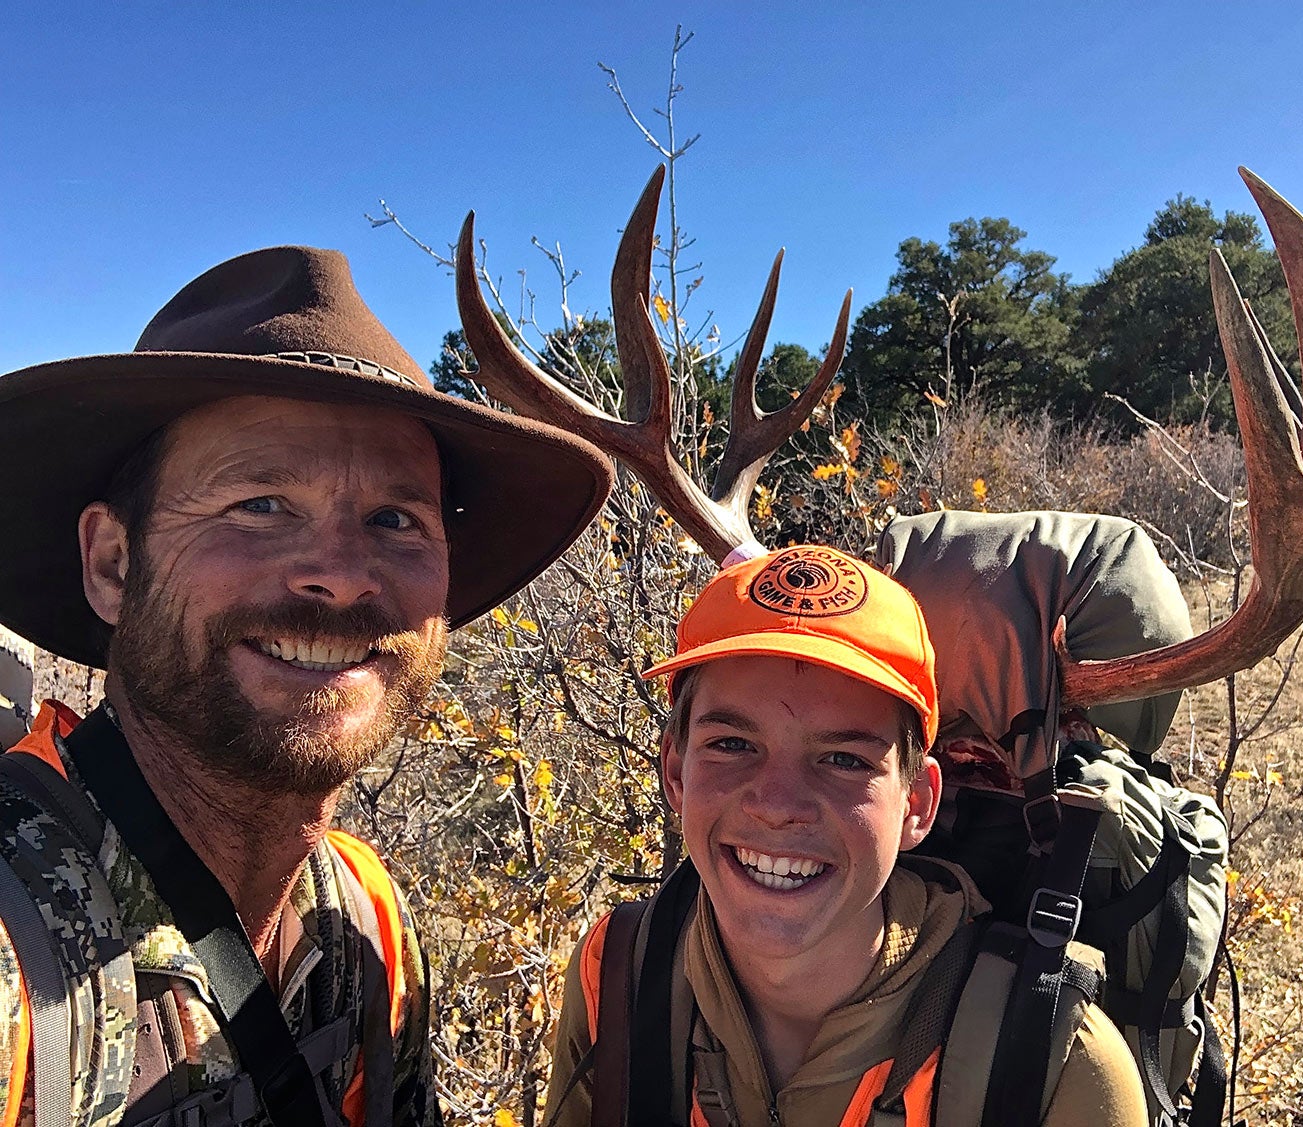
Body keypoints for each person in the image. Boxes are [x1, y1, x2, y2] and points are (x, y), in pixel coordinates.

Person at [0, 245, 614, 1126]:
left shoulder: (363, 925)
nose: (344, 575)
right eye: (261, 504)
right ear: (113, 561)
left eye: (395, 519)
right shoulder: (20, 965)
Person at [542, 544, 1148, 1127]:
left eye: (843, 760)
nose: (778, 807)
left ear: (916, 803)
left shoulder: (1052, 1061)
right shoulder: (618, 975)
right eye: (732, 745)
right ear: (677, 772)